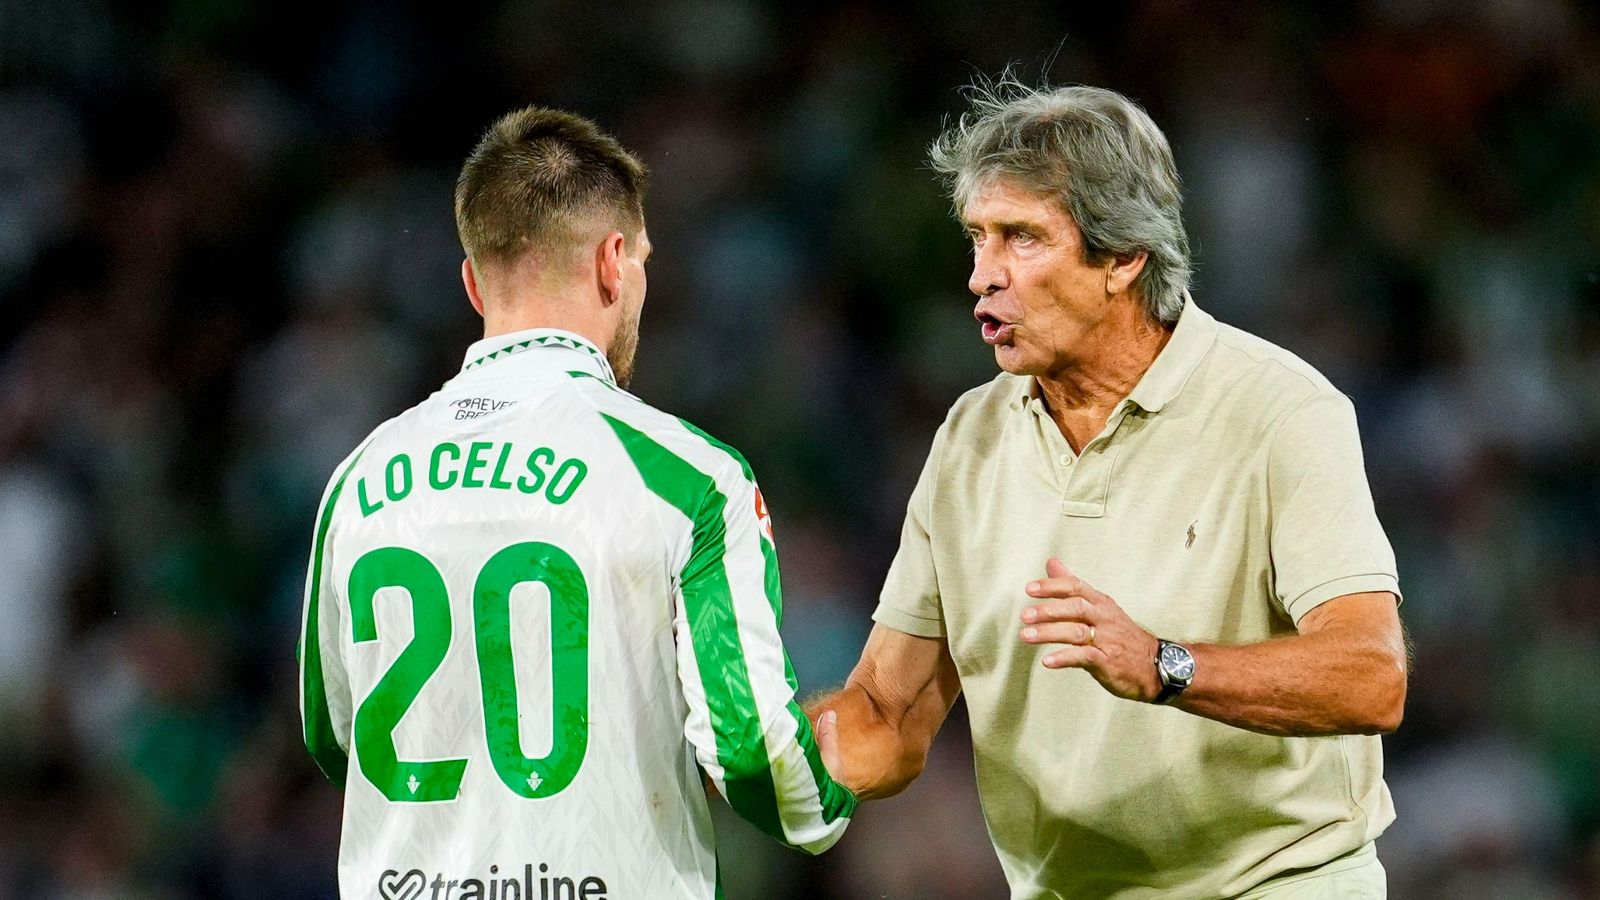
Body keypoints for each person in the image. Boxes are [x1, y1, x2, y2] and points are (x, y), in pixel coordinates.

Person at [809, 82, 1407, 898]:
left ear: (1123, 257)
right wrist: (753, 743)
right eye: (978, 238)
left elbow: (1372, 675)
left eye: (1022, 239)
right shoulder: (968, 438)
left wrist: (1164, 664)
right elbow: (890, 718)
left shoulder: (1280, 411)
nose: (982, 276)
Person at [298, 106, 855, 900]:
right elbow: (752, 754)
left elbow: (333, 736)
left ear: (471, 281)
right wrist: (836, 789)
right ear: (613, 261)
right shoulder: (690, 479)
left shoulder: (358, 480)